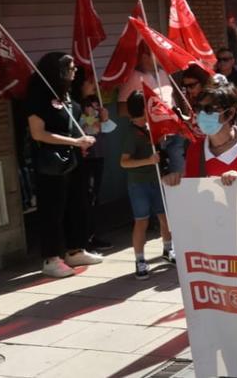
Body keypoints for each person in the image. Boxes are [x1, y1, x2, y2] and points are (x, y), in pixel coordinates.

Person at [26, 52, 101, 278]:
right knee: (53, 210)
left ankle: (75, 249)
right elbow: (38, 133)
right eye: (70, 68)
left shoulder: (66, 94)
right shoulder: (38, 97)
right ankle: (51, 258)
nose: (74, 71)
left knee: (77, 203)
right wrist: (75, 142)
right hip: (51, 163)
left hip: (73, 159)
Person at [173, 85, 237, 184]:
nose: (202, 114)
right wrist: (174, 182)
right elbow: (192, 196)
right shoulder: (195, 150)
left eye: (209, 109)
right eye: (198, 109)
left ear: (230, 113)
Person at [120, 91, 172, 280]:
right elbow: (124, 162)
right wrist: (149, 160)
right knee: (141, 221)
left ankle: (168, 249)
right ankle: (140, 259)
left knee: (165, 216)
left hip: (156, 180)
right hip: (139, 184)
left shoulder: (151, 129)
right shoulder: (131, 134)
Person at [118, 43, 187, 185]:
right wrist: (147, 117)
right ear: (145, 56)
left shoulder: (162, 72)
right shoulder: (134, 77)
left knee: (181, 172)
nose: (161, 55)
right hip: (155, 134)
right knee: (166, 177)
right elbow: (123, 108)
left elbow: (172, 98)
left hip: (175, 129)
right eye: (156, 52)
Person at [71, 67, 114, 252]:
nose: (93, 85)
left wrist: (105, 119)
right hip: (84, 157)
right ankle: (83, 238)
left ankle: (93, 234)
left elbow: (105, 128)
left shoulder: (95, 102)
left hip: (98, 153)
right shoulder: (74, 105)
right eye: (89, 82)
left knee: (95, 196)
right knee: (85, 197)